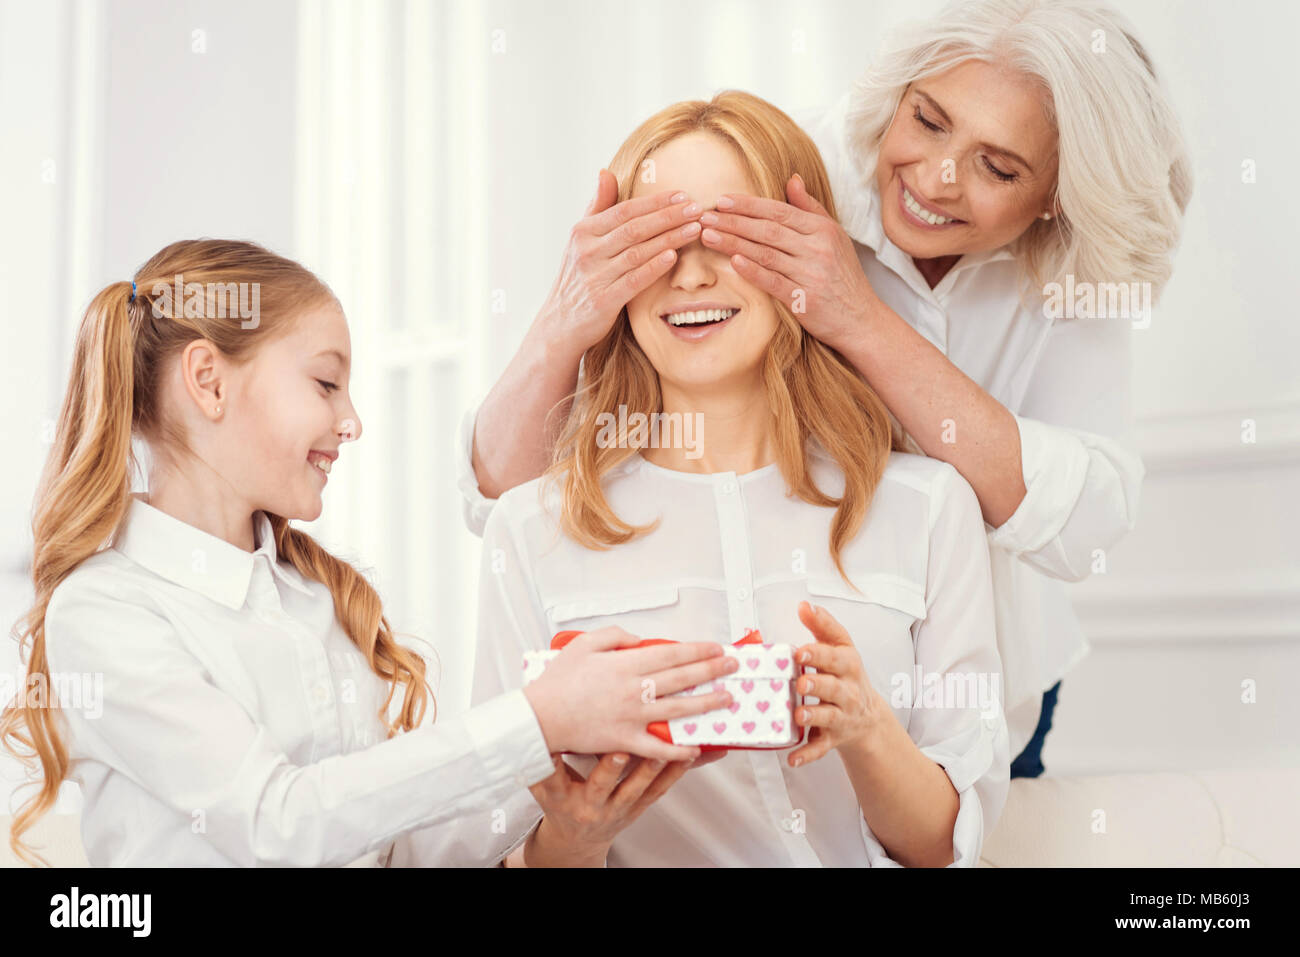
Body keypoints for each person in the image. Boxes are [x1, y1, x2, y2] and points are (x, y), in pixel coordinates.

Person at [460, 0, 1192, 776]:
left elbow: (1087, 520)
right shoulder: (787, 171)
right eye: (929, 120)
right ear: (901, 90)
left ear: (1055, 195)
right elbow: (496, 499)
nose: (937, 178)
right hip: (789, 665)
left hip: (991, 680)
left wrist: (862, 321)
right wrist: (561, 323)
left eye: (998, 167)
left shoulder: (1074, 269)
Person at [0, 239, 738, 867]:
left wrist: (563, 778)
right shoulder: (105, 611)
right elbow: (279, 822)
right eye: (325, 382)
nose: (350, 421)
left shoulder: (311, 599)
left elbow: (392, 845)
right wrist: (537, 721)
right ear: (207, 380)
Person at [466, 91, 1009, 867]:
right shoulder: (528, 530)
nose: (689, 275)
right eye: (656, 240)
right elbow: (487, 842)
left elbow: (945, 848)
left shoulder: (928, 509)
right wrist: (574, 839)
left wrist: (865, 725)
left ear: (807, 255)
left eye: (730, 234)